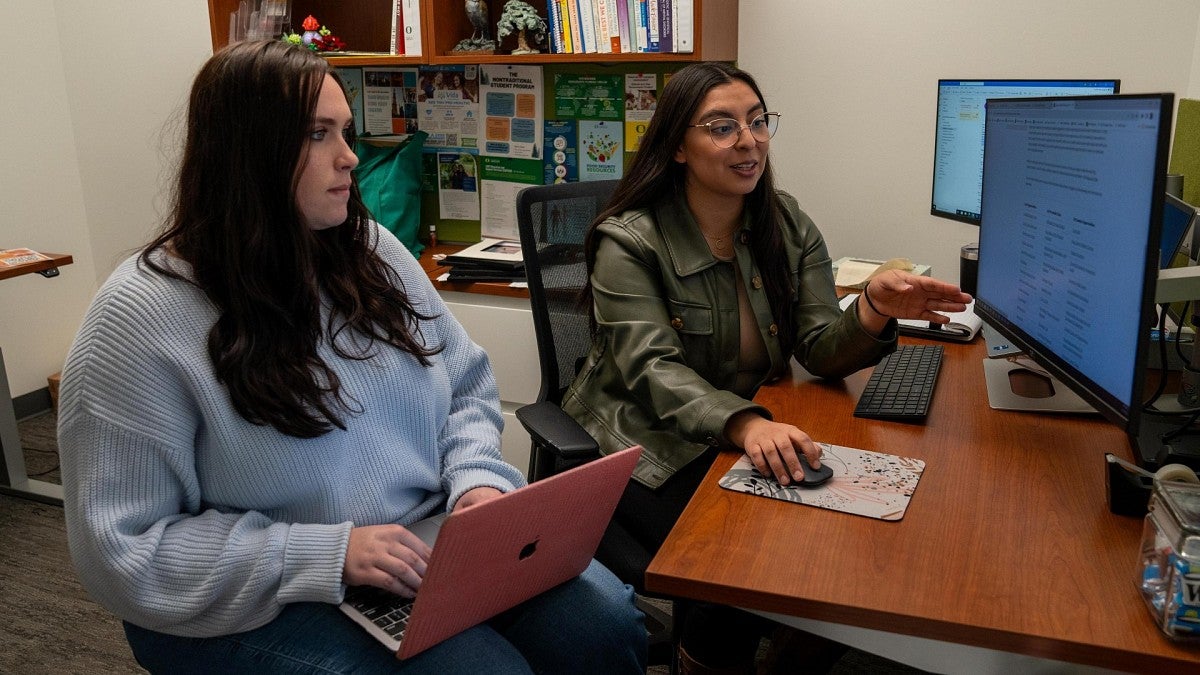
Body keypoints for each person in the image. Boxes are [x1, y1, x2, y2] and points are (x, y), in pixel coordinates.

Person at [57, 40, 646, 675]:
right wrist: (326, 555)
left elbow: (466, 384)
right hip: (248, 596)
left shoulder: (366, 248)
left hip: (421, 540)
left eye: (346, 132)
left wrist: (477, 484)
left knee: (604, 628)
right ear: (245, 155)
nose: (349, 159)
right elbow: (124, 550)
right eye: (318, 135)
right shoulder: (137, 319)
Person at [561, 62, 971, 673]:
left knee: (844, 536)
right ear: (677, 145)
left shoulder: (783, 222)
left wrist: (875, 309)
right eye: (722, 127)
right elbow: (651, 369)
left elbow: (819, 347)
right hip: (641, 442)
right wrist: (748, 425)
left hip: (736, 430)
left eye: (757, 122)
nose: (748, 141)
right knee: (743, 561)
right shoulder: (629, 241)